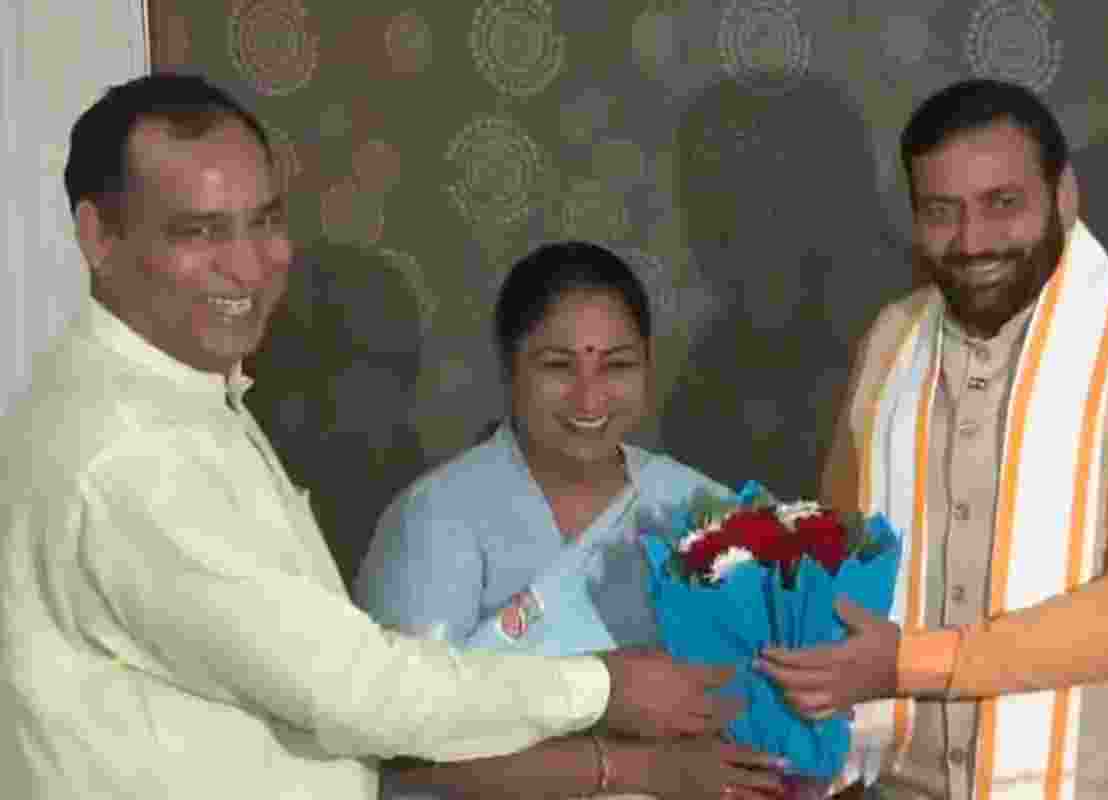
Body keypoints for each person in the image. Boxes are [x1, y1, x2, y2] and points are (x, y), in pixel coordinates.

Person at [0, 73, 740, 799]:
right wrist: (608, 692)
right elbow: (362, 695)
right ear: (99, 236)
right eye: (200, 231)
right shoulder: (132, 450)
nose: (250, 264)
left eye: (264, 221)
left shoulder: (182, 403)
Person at [757, 79, 1108, 800]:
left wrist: (911, 663)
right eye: (941, 212)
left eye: (1002, 204)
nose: (973, 241)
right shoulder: (893, 341)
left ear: (1064, 195)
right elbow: (843, 545)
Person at [354, 241, 787, 800]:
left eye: (617, 365)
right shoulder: (437, 518)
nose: (589, 398)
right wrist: (641, 770)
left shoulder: (696, 508)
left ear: (649, 365)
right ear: (509, 367)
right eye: (558, 366)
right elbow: (404, 752)